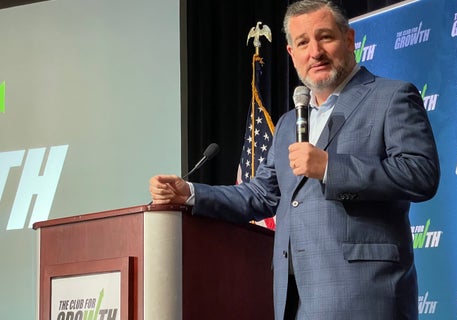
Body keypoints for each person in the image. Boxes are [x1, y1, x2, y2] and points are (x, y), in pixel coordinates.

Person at [149, 0, 440, 318]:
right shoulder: (289, 123)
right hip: (295, 298)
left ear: (349, 39)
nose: (315, 52)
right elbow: (260, 194)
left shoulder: (392, 96)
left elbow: (420, 173)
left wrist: (329, 167)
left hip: (365, 296)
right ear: (291, 54)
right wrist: (190, 193)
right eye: (303, 43)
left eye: (325, 37)